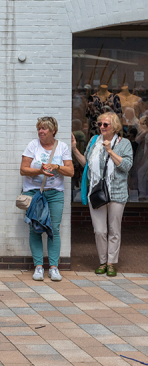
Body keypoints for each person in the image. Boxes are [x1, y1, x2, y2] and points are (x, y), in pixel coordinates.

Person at [72, 112, 134, 276]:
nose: (101, 127)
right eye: (99, 124)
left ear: (114, 126)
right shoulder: (93, 142)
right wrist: (74, 149)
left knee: (114, 230)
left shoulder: (124, 143)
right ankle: (102, 261)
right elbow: (86, 164)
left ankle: (111, 263)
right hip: (97, 191)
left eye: (105, 124)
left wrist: (110, 150)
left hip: (117, 192)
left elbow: (126, 166)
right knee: (100, 230)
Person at [20, 117, 74, 282]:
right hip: (34, 192)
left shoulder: (62, 147)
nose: (40, 132)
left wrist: (56, 167)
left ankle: (53, 267)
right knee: (35, 228)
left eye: (44, 129)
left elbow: (70, 171)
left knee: (54, 229)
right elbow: (23, 169)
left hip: (55, 193)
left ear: (53, 131)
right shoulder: (33, 145)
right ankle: (38, 266)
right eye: (39, 128)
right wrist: (40, 172)